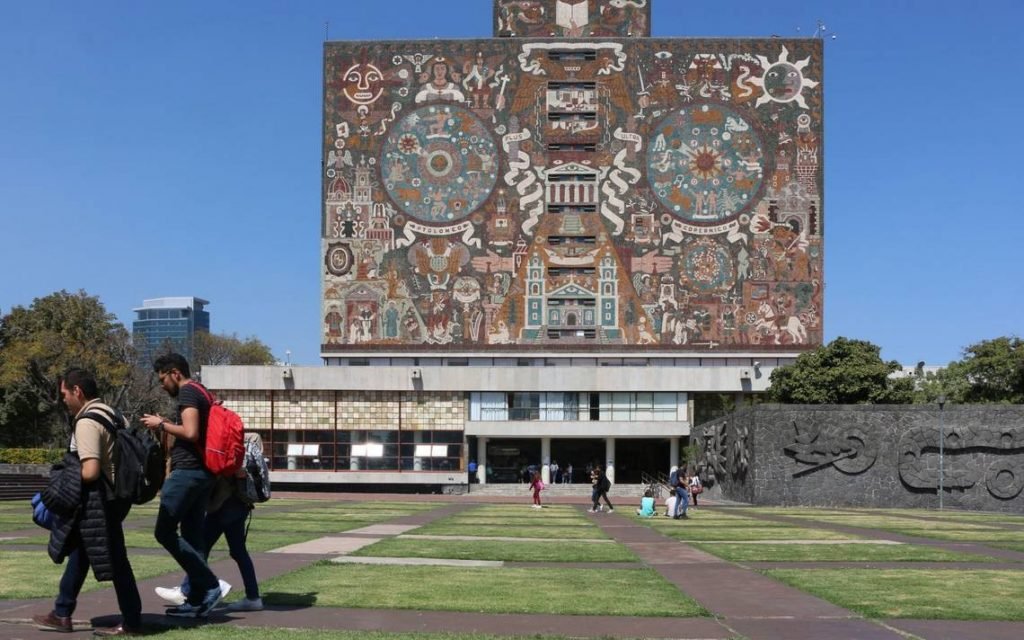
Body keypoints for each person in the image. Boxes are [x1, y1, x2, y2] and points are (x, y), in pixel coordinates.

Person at [33, 368, 142, 637]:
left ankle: (131, 622)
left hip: (99, 501)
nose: (63, 400)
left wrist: (63, 480)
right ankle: (62, 612)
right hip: (117, 496)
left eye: (64, 394)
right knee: (81, 552)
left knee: (116, 560)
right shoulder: (114, 414)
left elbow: (91, 470)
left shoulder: (86, 421)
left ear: (77, 391)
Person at [141, 353, 225, 619]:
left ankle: (211, 585)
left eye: (163, 379)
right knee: (192, 537)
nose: (162, 385)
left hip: (188, 473)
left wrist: (162, 424)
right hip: (203, 474)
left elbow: (190, 433)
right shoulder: (203, 391)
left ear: (175, 373)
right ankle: (197, 600)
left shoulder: (188, 392)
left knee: (164, 532)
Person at [155, 433, 265, 612]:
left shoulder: (225, 444)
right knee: (238, 552)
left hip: (224, 505)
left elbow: (223, 470)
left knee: (201, 546)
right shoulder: (246, 442)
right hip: (240, 503)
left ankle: (192, 589)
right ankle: (253, 597)